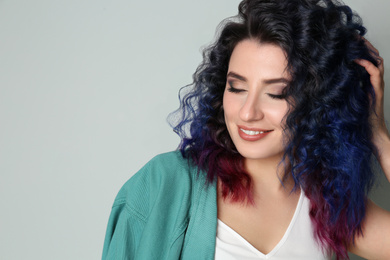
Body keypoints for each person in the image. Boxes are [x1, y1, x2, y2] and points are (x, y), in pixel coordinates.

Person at [102, 0, 390, 259]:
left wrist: (377, 134)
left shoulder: (329, 202)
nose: (247, 112)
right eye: (236, 88)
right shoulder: (163, 184)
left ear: (320, 101)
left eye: (277, 93)